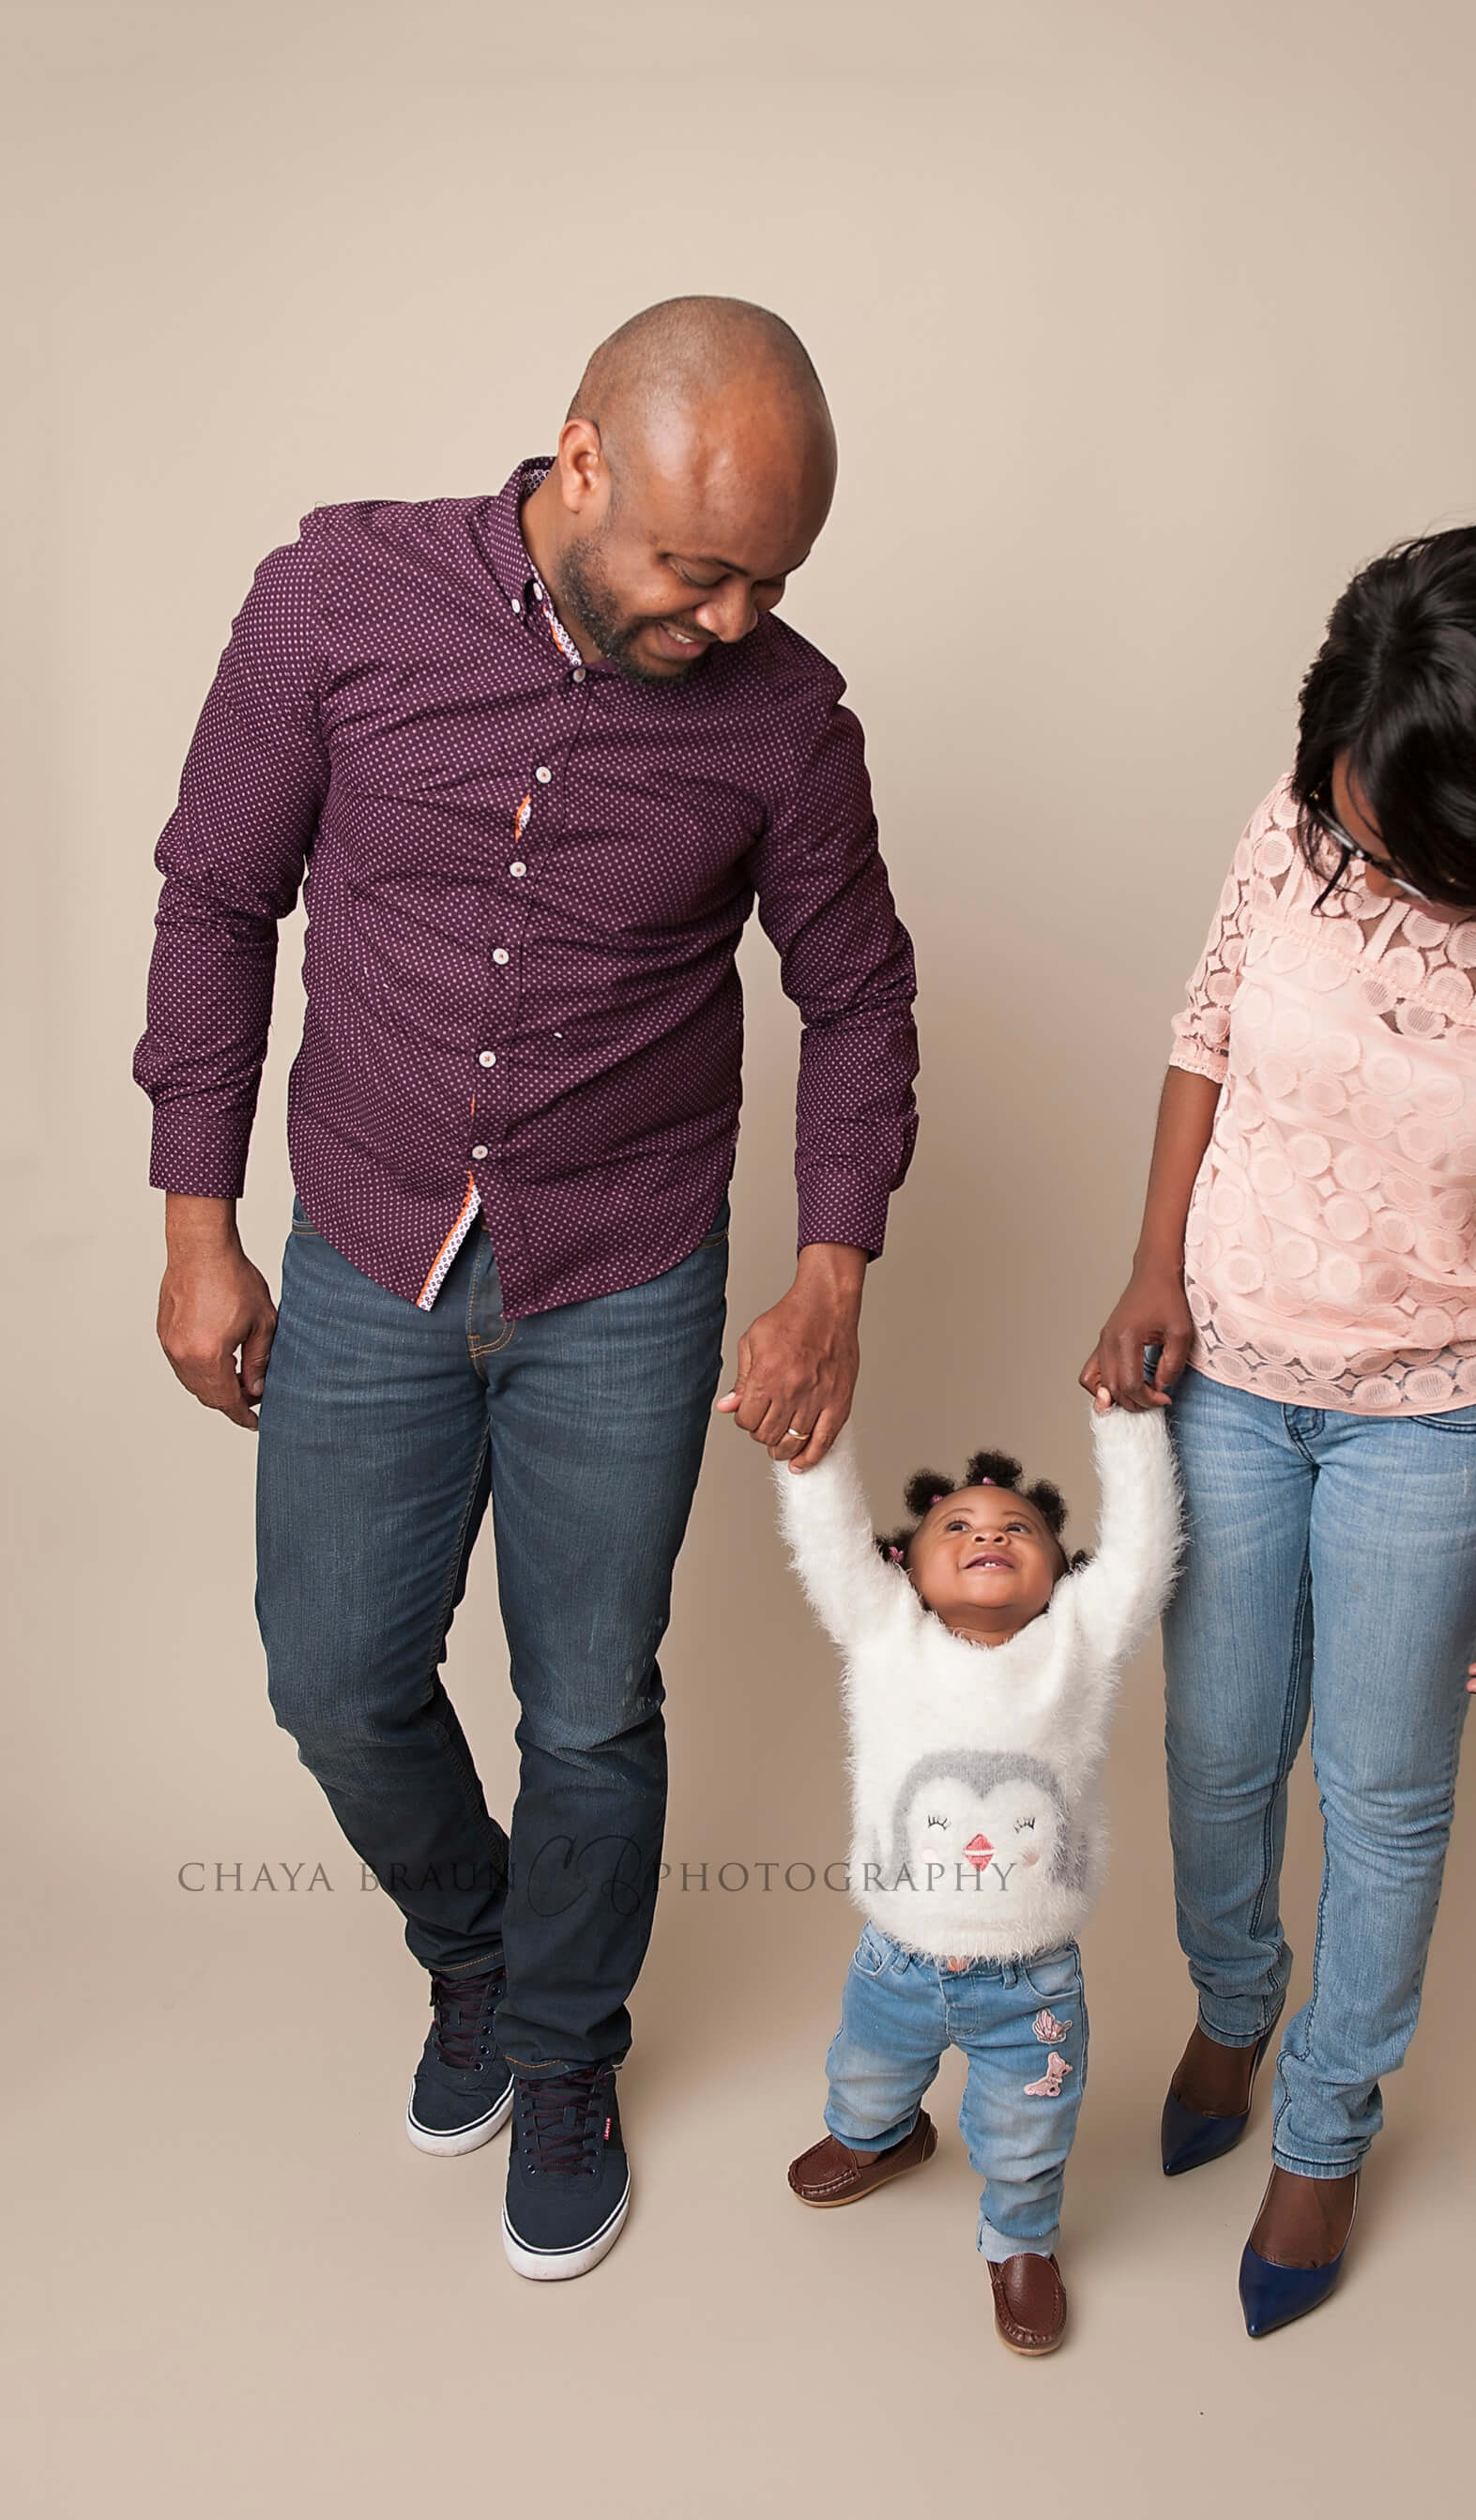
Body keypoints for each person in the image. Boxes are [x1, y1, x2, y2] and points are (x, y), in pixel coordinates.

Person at [134, 297, 920, 2282]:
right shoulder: (336, 600)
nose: (734, 616)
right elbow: (220, 900)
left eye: (772, 578)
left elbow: (859, 998)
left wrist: (829, 1273)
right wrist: (194, 1222)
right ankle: (476, 1947)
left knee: (588, 1706)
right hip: (370, 1238)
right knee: (333, 1674)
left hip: (627, 1266)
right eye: (698, 565)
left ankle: (564, 2046)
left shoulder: (785, 720)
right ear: (580, 460)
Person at [1082, 524, 1476, 2336]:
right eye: (1343, 804)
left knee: (1379, 1798)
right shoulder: (1300, 816)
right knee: (1214, 1749)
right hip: (1222, 1380)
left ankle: (1324, 2121)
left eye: (1392, 831)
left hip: (1436, 1432)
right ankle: (1230, 1997)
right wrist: (1152, 1269)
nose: (1346, 848)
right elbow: (1206, 1027)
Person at [769, 1405, 1181, 2355]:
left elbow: (1144, 1549)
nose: (987, 1535)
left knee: (1026, 2132)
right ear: (903, 1565)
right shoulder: (883, 1635)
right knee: (864, 2076)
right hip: (893, 1962)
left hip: (1028, 1988)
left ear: (1056, 1568)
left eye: (1015, 1529)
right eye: (954, 1527)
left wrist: (1127, 1425)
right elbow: (827, 1545)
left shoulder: (1079, 1639)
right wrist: (808, 1446)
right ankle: (879, 2137)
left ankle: (1021, 2240)